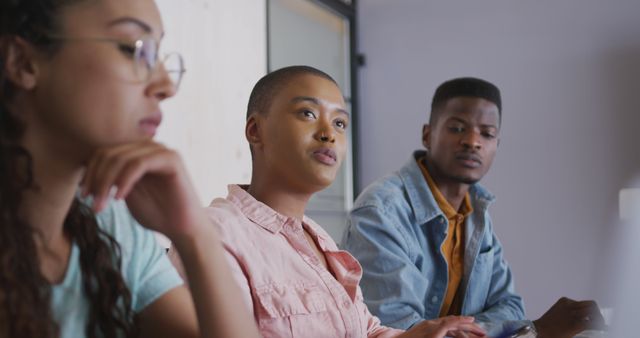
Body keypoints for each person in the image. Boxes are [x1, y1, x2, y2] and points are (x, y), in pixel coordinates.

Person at [0, 0, 259, 337]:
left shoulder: (109, 227)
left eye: (158, 54)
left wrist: (195, 234)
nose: (166, 86)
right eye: (131, 48)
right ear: (23, 62)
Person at [171, 66, 487, 338]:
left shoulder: (318, 240)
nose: (328, 134)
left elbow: (363, 330)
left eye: (339, 123)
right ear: (256, 130)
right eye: (307, 113)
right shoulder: (215, 234)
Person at [341, 77, 605, 338]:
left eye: (487, 133)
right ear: (427, 135)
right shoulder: (381, 211)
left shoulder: (475, 209)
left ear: (496, 145)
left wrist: (461, 331)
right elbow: (402, 331)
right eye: (457, 128)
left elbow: (511, 306)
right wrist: (533, 331)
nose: (472, 141)